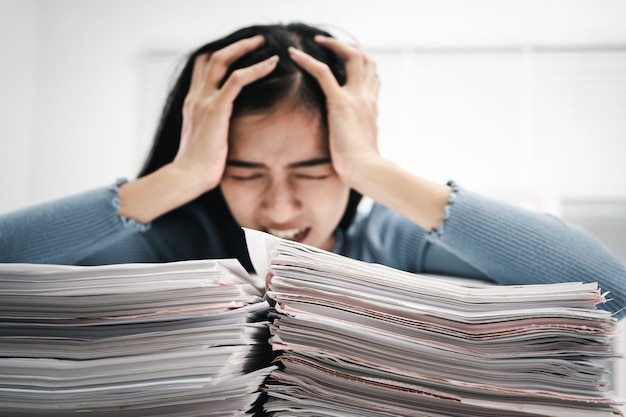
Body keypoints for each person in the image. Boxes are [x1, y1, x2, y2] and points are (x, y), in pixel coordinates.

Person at [1, 22, 625, 318]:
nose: (278, 209)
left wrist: (371, 168)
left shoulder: (392, 241)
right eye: (243, 172)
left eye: (314, 170)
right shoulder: (172, 244)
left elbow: (613, 293)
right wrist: (178, 178)